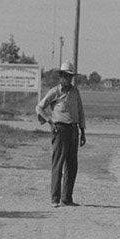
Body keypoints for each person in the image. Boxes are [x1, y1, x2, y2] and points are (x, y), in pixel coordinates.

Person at [36, 60, 86, 206]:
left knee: (72, 165)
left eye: (70, 76)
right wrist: (49, 121)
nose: (68, 79)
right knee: (58, 164)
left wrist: (82, 131)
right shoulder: (54, 92)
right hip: (60, 129)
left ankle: (67, 198)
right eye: (65, 75)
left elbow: (80, 111)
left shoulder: (75, 92)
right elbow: (39, 108)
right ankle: (55, 198)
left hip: (73, 130)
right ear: (61, 76)